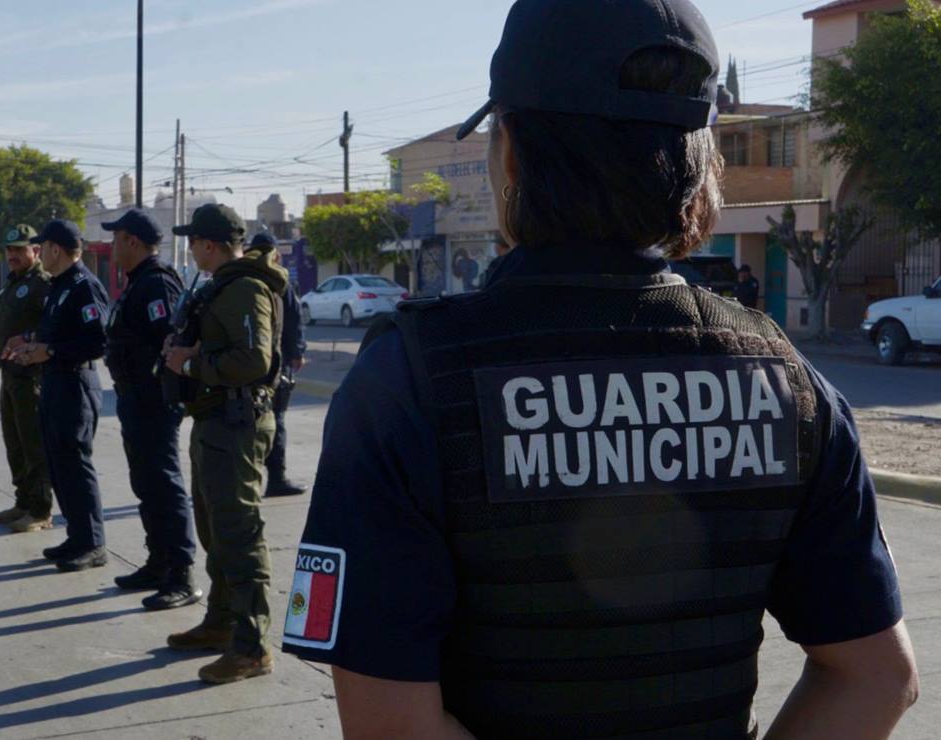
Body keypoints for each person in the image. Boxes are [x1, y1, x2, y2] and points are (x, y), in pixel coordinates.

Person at [281, 1, 919, 738]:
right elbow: (878, 678)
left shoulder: (409, 380)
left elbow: (390, 725)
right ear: (700, 165)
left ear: (511, 154)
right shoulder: (786, 381)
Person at [161, 203, 287, 684]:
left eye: (193, 241)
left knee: (239, 534)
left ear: (209, 244)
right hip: (214, 421)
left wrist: (192, 365)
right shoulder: (221, 285)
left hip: (236, 425)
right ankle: (221, 622)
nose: (191, 249)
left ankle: (252, 646)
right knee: (214, 530)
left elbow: (254, 359)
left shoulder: (245, 288)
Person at [102, 208, 201, 610]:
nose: (112, 246)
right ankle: (158, 561)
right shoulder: (139, 281)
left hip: (154, 400)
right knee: (146, 483)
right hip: (135, 399)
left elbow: (170, 338)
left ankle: (181, 573)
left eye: (116, 238)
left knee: (163, 483)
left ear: (133, 241)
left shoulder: (157, 283)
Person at [4, 220, 110, 572]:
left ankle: (93, 543)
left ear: (56, 249)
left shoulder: (83, 286)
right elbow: (57, 331)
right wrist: (30, 342)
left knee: (76, 466)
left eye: (42, 246)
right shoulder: (59, 286)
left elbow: (97, 341)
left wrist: (49, 351)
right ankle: (77, 537)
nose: (38, 252)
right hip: (54, 383)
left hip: (75, 385)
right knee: (59, 465)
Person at [0, 225, 54, 533]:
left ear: (35, 251)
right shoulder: (12, 282)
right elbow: (4, 330)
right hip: (11, 375)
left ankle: (40, 510)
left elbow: (52, 327)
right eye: (9, 250)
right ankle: (23, 502)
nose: (12, 255)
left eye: (19, 250)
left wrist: (28, 338)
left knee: (33, 445)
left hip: (31, 377)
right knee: (14, 445)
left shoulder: (43, 284)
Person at [249, 234, 308, 497]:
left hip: (248, 364)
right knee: (276, 420)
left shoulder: (243, 279)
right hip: (276, 364)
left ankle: (250, 477)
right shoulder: (279, 281)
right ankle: (277, 479)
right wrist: (297, 353)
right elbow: (295, 319)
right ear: (275, 254)